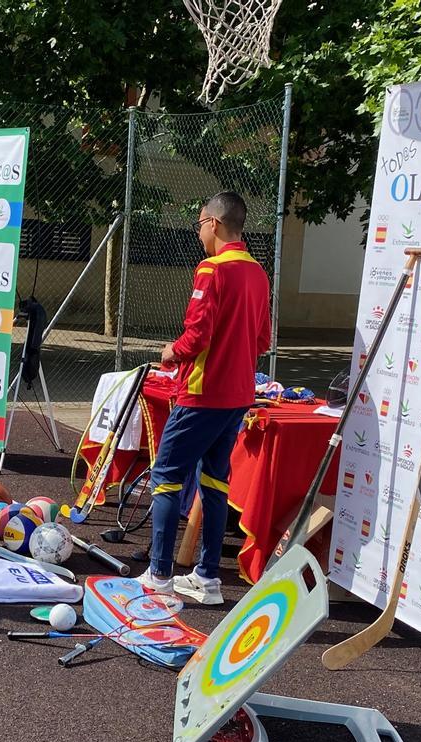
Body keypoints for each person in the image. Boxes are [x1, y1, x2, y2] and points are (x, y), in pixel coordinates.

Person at [137, 191, 271, 604]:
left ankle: (159, 575)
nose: (198, 233)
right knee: (215, 482)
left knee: (166, 476)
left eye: (198, 224)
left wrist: (171, 351)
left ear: (213, 223)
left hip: (202, 392)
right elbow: (262, 339)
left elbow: (197, 335)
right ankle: (207, 578)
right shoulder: (258, 273)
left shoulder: (211, 270)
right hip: (238, 395)